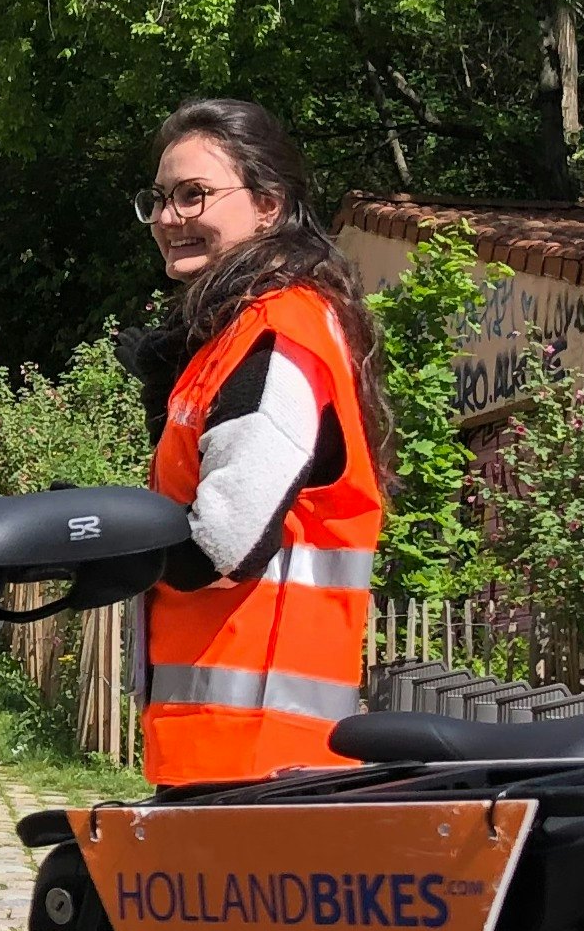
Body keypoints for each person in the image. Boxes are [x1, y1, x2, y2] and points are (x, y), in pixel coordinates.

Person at [123, 99, 393, 787]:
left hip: (261, 754)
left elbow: (224, 545)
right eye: (158, 199)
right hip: (229, 746)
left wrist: (91, 540)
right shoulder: (233, 335)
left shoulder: (279, 333)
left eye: (194, 195)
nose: (168, 218)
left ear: (269, 205)